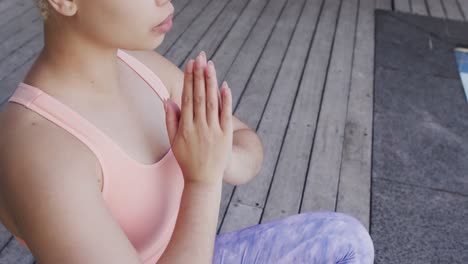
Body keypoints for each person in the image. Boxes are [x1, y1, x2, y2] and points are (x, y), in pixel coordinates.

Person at [0, 0, 374, 263]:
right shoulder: (39, 149)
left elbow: (246, 143)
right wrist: (203, 180)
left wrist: (216, 152)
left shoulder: (138, 64)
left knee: (345, 241)